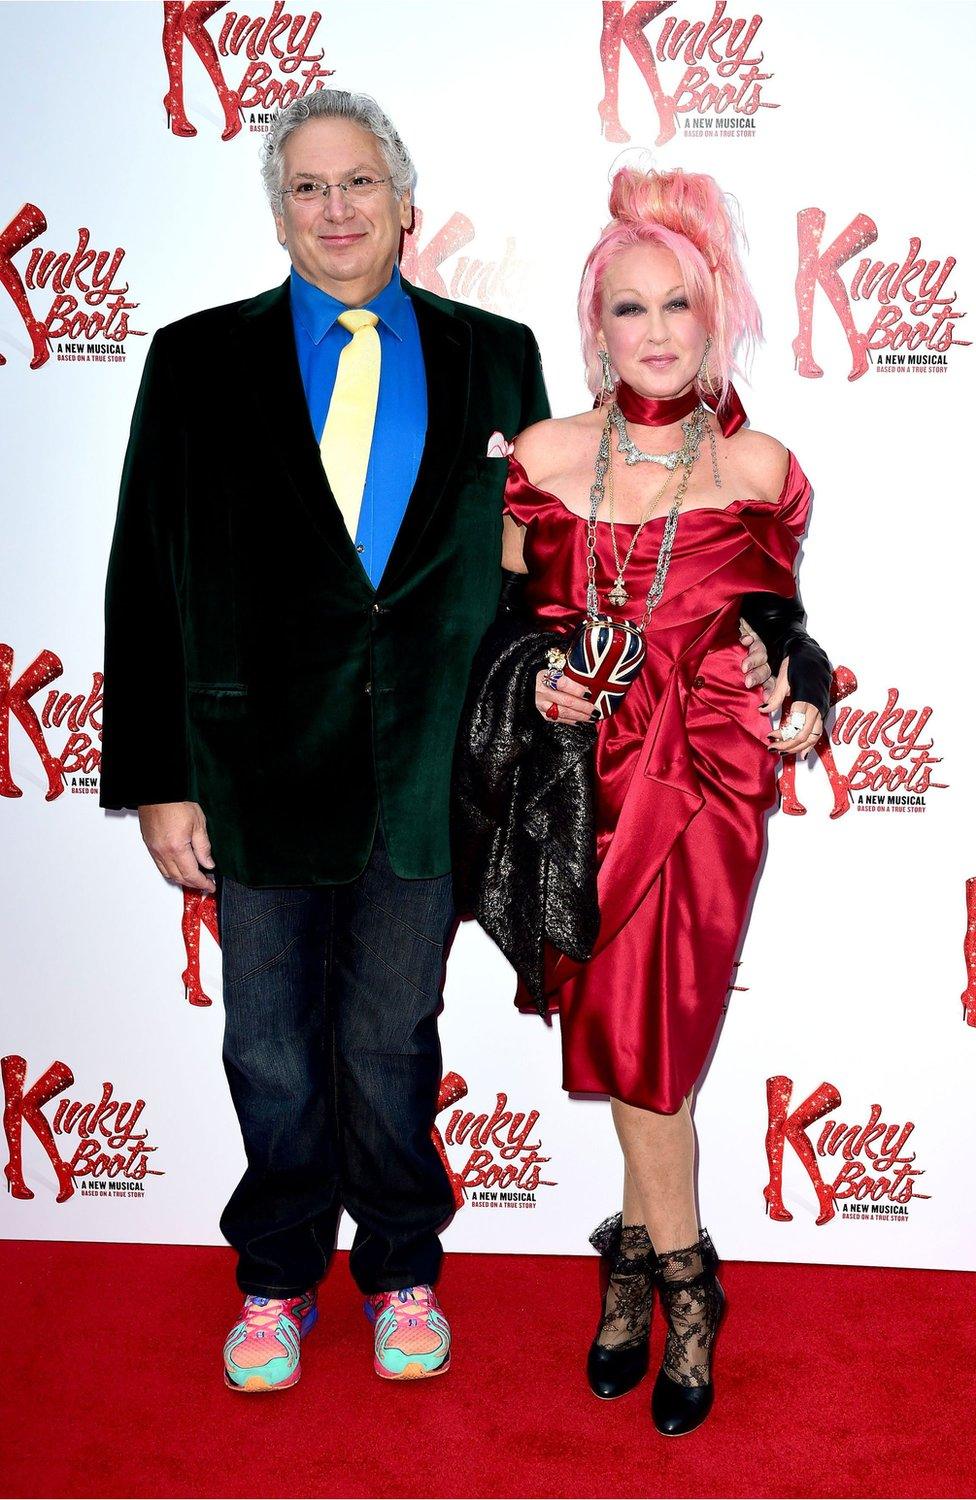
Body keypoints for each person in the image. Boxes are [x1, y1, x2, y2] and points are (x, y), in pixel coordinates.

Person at [99, 87, 555, 1392]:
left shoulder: (495, 355)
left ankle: (405, 1263)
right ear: (279, 209)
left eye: (360, 183)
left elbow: (534, 572)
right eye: (309, 187)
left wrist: (531, 741)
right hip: (255, 770)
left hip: (429, 772)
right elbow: (149, 572)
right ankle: (278, 1275)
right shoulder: (196, 360)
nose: (338, 209)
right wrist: (160, 780)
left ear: (404, 202)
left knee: (390, 1037)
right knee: (271, 1044)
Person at [488, 166, 831, 1435]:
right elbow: (499, 635)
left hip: (703, 787)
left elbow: (782, 628)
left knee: (655, 1056)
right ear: (597, 329)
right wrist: (538, 689)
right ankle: (637, 1266)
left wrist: (802, 692)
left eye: (677, 304)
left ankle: (679, 1287)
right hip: (578, 798)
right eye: (628, 310)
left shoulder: (757, 466)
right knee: (630, 1051)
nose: (655, 332)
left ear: (717, 312)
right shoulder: (542, 460)